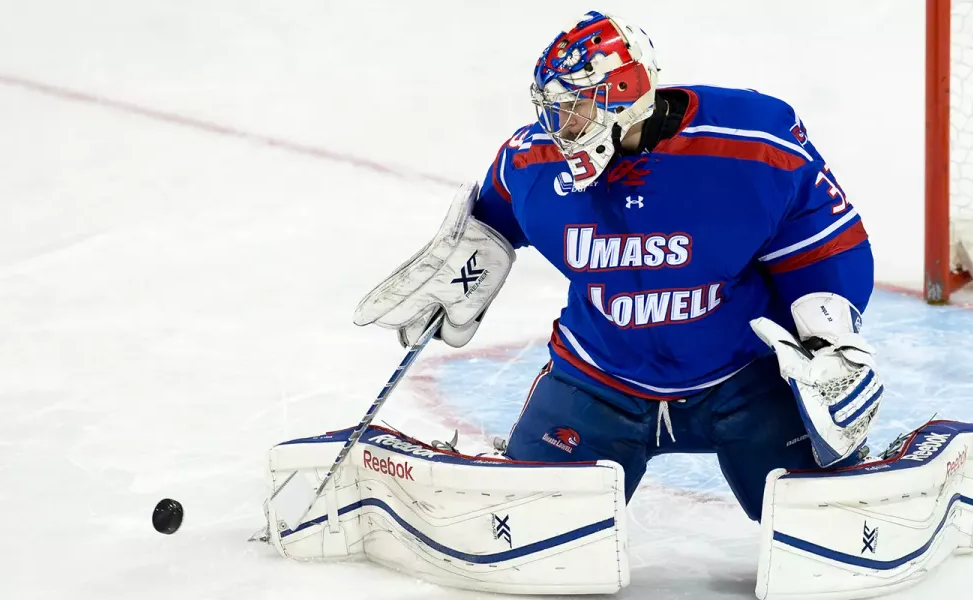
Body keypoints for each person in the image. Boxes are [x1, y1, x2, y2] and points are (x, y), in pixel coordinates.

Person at [364, 10, 885, 523]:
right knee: (531, 518)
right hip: (598, 377)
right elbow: (490, 225)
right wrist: (462, 266)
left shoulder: (755, 147)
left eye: (574, 108)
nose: (557, 127)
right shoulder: (530, 165)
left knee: (815, 514)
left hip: (744, 379)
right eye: (552, 109)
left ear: (621, 96)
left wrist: (828, 339)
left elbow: (827, 248)